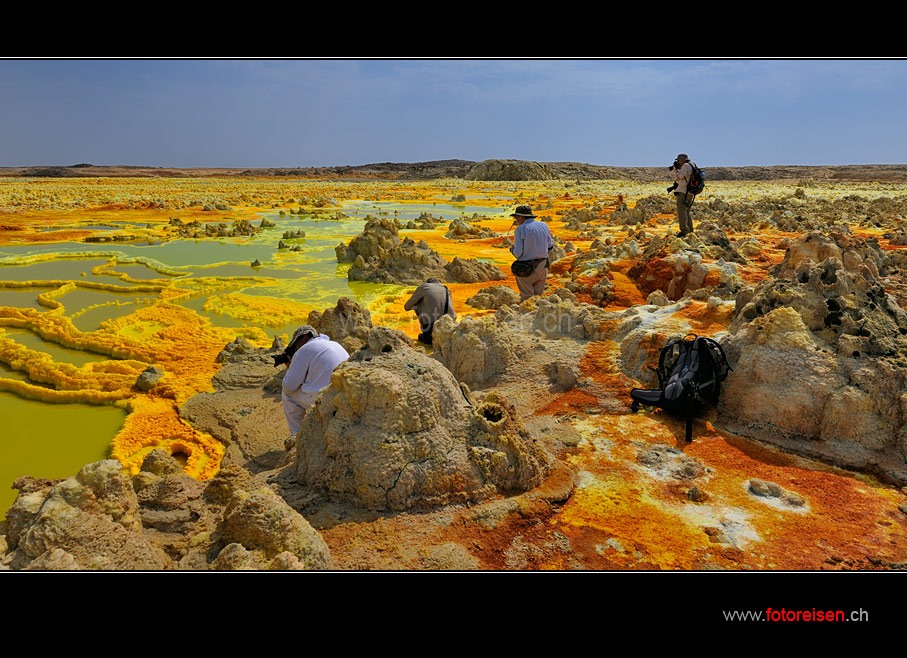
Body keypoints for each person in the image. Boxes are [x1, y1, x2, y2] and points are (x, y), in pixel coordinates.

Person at [281, 325, 349, 435]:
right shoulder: (335, 344)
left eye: (295, 347)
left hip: (326, 400)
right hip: (345, 397)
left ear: (304, 338)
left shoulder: (305, 349)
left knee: (287, 394)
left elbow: (289, 387)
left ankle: (296, 437)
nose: (295, 351)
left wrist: (291, 368)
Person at [509, 204, 553, 302]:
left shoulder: (520, 230)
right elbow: (550, 247)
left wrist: (512, 250)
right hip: (542, 266)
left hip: (526, 269)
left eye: (516, 217)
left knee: (527, 299)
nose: (515, 220)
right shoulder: (544, 225)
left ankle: (527, 316)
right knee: (538, 298)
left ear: (521, 217)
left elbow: (518, 253)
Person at [404, 277, 456, 344]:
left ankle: (426, 333)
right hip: (449, 329)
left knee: (417, 302)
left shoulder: (424, 287)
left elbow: (407, 307)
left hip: (431, 330)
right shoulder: (446, 289)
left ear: (427, 282)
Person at [668, 153, 695, 236]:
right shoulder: (692, 165)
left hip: (683, 192)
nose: (678, 162)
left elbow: (678, 177)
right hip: (691, 192)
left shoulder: (686, 166)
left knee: (681, 212)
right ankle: (690, 230)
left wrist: (675, 170)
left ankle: (684, 231)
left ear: (682, 160)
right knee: (687, 211)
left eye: (679, 161)